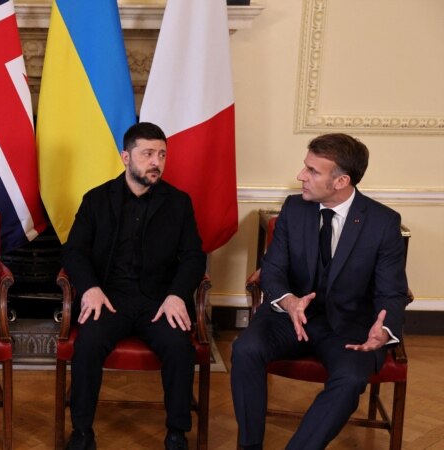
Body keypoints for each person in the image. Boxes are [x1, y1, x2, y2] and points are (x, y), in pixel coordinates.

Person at [231, 133, 409, 450]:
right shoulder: (294, 208)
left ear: (341, 181)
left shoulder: (382, 223)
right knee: (245, 349)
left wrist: (384, 330)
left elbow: (392, 292)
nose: (301, 175)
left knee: (351, 379)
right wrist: (289, 301)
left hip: (348, 327)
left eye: (312, 171)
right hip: (290, 318)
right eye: (305, 166)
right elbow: (272, 268)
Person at [61, 122, 206, 450]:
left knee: (179, 347)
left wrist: (176, 295)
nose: (156, 162)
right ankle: (82, 432)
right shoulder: (97, 199)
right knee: (88, 344)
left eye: (162, 155)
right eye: (148, 154)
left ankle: (177, 433)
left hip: (159, 301)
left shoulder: (178, 202)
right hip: (109, 299)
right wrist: (90, 288)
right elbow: (74, 252)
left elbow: (194, 257)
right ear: (126, 157)